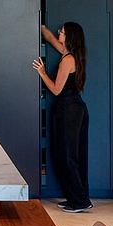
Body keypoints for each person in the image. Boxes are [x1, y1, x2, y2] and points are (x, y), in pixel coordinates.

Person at [34, 22, 92, 213]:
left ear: (69, 38)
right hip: (76, 109)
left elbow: (56, 90)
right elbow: (51, 39)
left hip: (68, 111)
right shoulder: (71, 54)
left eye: (62, 32)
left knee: (67, 156)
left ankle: (79, 201)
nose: (59, 33)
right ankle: (80, 198)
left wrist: (42, 73)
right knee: (75, 156)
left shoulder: (67, 60)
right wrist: (40, 26)